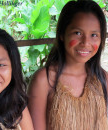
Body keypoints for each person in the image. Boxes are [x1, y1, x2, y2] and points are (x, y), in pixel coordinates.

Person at [28, 0, 108, 130]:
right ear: (61, 34)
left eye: (94, 35)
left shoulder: (103, 78)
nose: (86, 42)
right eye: (78, 33)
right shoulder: (44, 80)